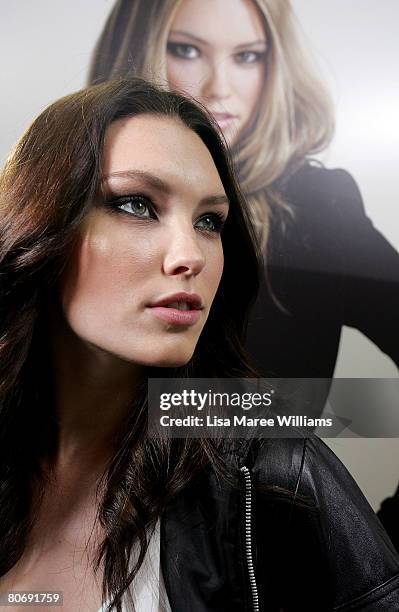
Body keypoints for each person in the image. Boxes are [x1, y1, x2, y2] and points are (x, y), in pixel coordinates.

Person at [0, 77, 398, 611]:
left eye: (209, 221)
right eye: (137, 205)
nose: (191, 255)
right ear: (42, 222)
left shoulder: (275, 466)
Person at [88, 0, 399, 408]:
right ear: (137, 47)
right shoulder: (72, 188)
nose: (219, 87)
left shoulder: (317, 207)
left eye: (247, 56)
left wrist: (304, 457)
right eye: (187, 49)